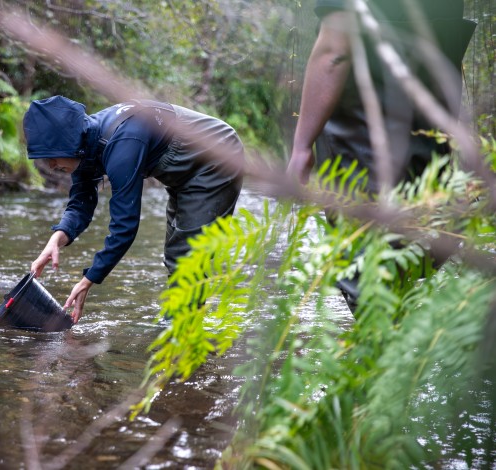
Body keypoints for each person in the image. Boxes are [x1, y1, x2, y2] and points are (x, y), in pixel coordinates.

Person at [285, 0, 475, 308]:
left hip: (360, 133)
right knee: (413, 254)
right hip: (431, 135)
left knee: (366, 269)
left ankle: (383, 347)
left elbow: (335, 50)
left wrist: (302, 146)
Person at [25, 96, 244, 323]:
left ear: (67, 141)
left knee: (187, 256)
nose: (50, 165)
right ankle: (179, 326)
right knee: (175, 258)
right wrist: (57, 239)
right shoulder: (85, 145)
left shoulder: (123, 142)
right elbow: (81, 203)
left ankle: (179, 333)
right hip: (186, 174)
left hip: (218, 156)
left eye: (51, 156)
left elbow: (125, 226)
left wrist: (90, 278)